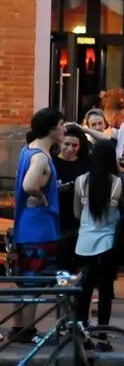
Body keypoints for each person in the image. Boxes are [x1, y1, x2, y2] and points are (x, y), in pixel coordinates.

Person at [10, 108, 65, 343]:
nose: (64, 129)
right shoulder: (41, 156)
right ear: (51, 128)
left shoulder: (28, 150)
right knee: (34, 280)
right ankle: (27, 331)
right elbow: (28, 184)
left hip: (27, 225)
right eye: (61, 124)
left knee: (24, 279)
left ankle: (18, 327)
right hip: (39, 228)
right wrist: (43, 197)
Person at [73, 140, 124, 349]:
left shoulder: (80, 182)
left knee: (84, 290)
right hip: (107, 243)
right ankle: (102, 336)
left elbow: (77, 213)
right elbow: (122, 210)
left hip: (83, 242)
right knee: (105, 291)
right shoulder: (117, 183)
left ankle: (82, 334)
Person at [54, 125, 91, 272]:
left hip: (80, 214)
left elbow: (110, 141)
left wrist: (86, 130)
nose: (70, 149)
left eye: (74, 145)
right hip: (59, 214)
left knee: (78, 254)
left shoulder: (85, 162)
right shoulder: (52, 162)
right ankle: (63, 287)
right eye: (66, 144)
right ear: (60, 143)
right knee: (61, 254)